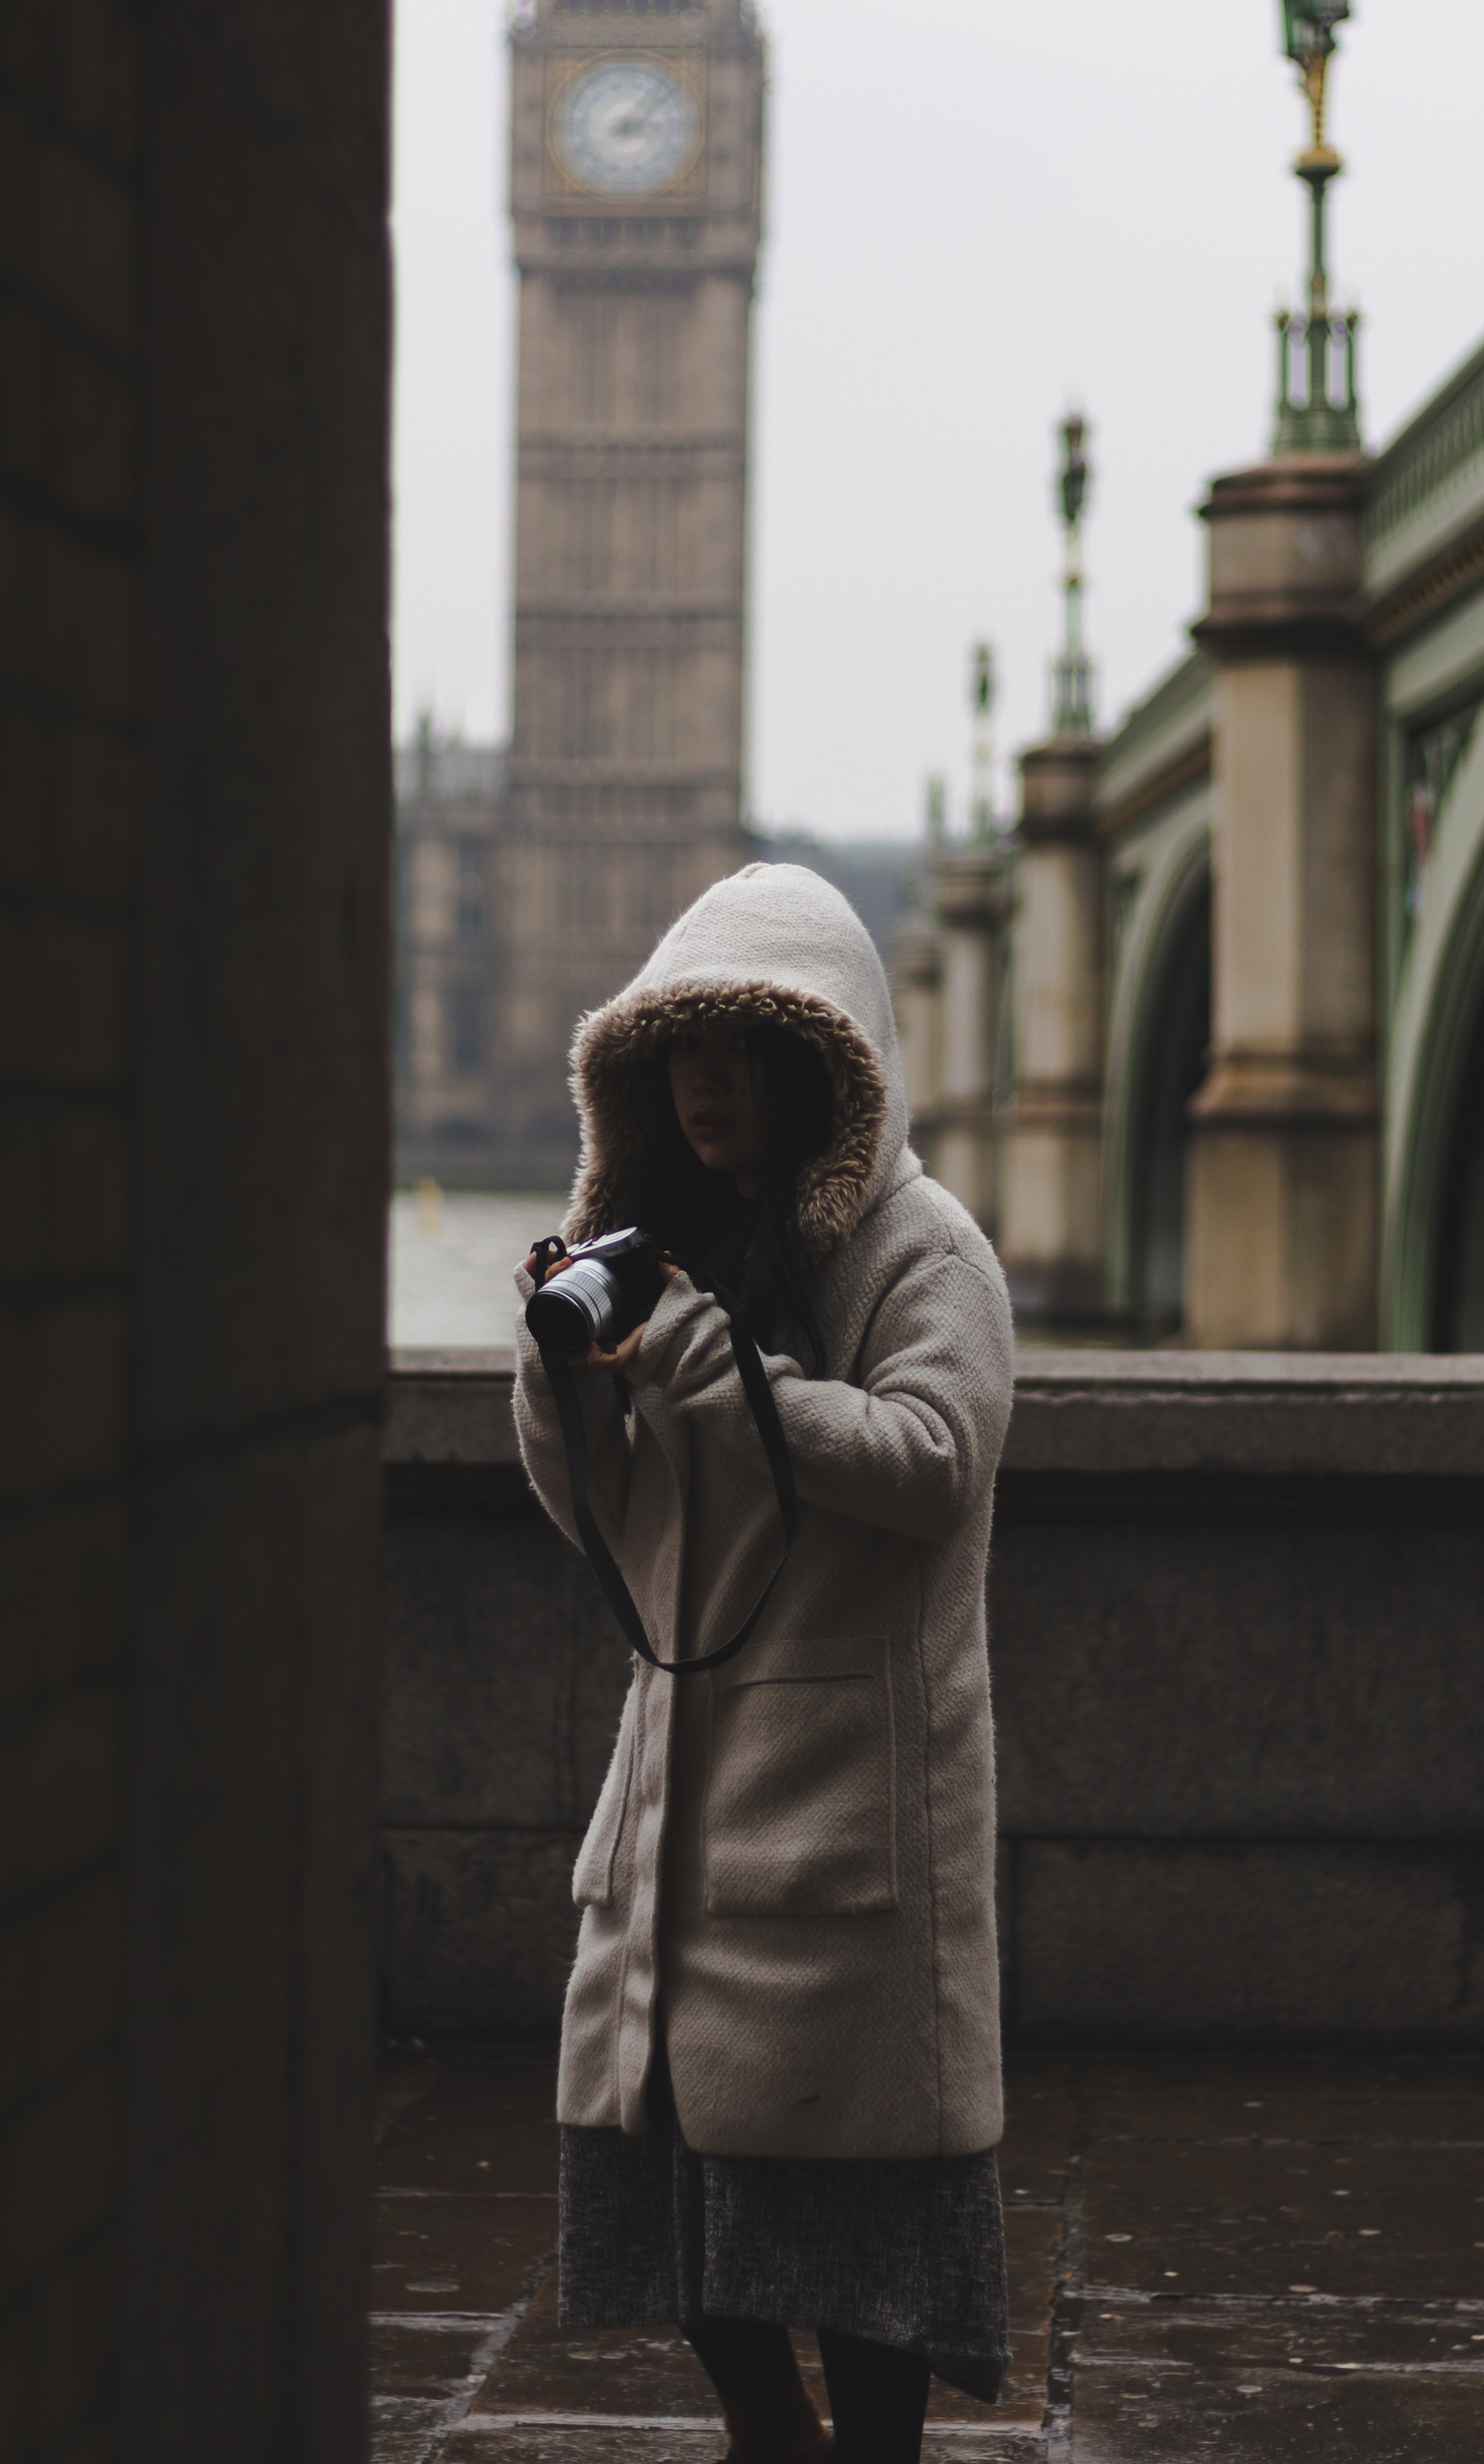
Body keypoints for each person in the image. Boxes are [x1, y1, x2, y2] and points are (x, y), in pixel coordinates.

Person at [509, 863, 1015, 2463]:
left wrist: (721, 1372)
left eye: (738, 1044)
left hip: (842, 1808)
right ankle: (767, 2436)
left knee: (863, 2245)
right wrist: (567, 1382)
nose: (704, 1080)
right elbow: (606, 1518)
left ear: (825, 1063)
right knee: (679, 2196)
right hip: (677, 1794)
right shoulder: (664, 1244)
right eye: (679, 1049)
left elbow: (936, 1456)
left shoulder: (926, 1252)